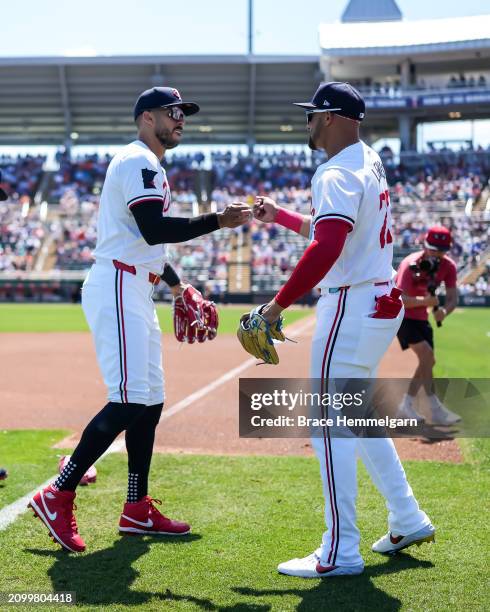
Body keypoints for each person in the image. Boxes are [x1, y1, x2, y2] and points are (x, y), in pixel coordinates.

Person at [28, 86, 250, 553]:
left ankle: (136, 507)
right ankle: (58, 492)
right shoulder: (137, 161)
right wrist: (218, 220)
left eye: (183, 113)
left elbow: (143, 239)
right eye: (174, 112)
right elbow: (153, 228)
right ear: (146, 117)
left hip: (136, 284)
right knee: (128, 401)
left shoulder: (148, 164)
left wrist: (174, 284)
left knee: (148, 403)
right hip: (118, 285)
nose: (181, 120)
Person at [251, 82, 434, 578]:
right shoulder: (367, 160)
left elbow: (328, 245)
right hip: (375, 298)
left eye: (312, 115)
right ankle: (407, 516)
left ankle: (340, 551)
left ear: (330, 117)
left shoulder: (333, 170)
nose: (307, 123)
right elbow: (334, 230)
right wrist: (283, 217)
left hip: (351, 304)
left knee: (328, 424)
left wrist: (275, 306)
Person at [395, 226, 460, 424]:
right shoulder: (410, 264)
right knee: (427, 356)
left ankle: (405, 406)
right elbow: (400, 300)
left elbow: (452, 298)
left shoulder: (448, 266)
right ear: (425, 246)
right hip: (403, 316)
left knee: (428, 362)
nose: (436, 254)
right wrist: (426, 302)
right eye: (433, 249)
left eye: (441, 251)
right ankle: (435, 408)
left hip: (422, 319)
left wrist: (443, 312)